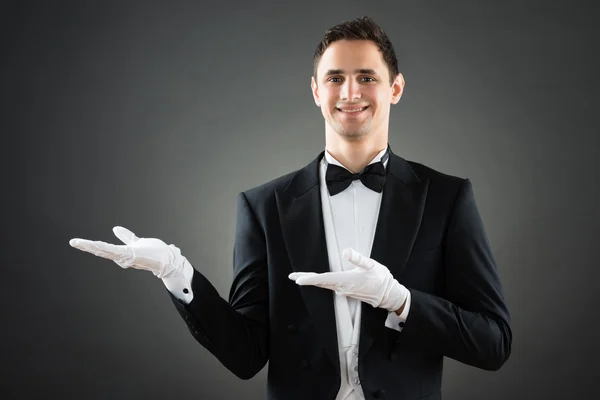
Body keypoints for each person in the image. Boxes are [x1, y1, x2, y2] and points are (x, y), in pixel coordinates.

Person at [70, 16, 512, 400]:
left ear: (395, 88)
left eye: (368, 77)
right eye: (335, 78)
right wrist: (176, 273)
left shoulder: (447, 197)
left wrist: (401, 302)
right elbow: (246, 355)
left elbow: (493, 342)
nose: (351, 92)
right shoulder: (263, 206)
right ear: (316, 91)